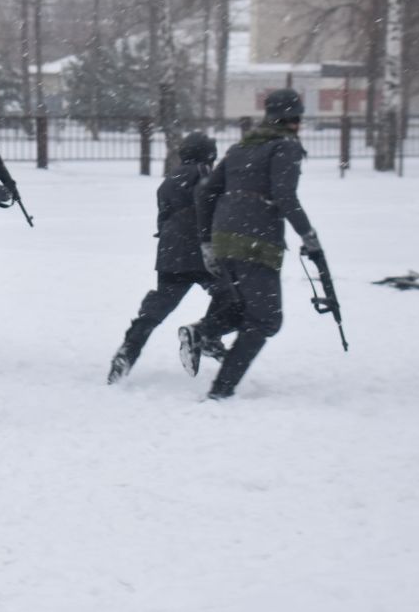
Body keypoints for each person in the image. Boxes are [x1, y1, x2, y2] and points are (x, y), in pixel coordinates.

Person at [189, 87, 323, 400]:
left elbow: (205, 191)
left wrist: (207, 240)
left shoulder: (241, 146)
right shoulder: (284, 147)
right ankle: (221, 390)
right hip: (256, 240)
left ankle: (204, 333)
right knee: (266, 319)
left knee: (245, 308)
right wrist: (308, 235)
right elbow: (284, 195)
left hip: (224, 238)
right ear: (293, 119)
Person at [107, 130, 227, 383]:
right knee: (229, 292)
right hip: (200, 248)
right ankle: (208, 336)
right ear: (209, 155)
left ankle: (129, 349)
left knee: (160, 304)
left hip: (171, 251)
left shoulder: (169, 179)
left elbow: (163, 216)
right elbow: (213, 206)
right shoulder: (205, 173)